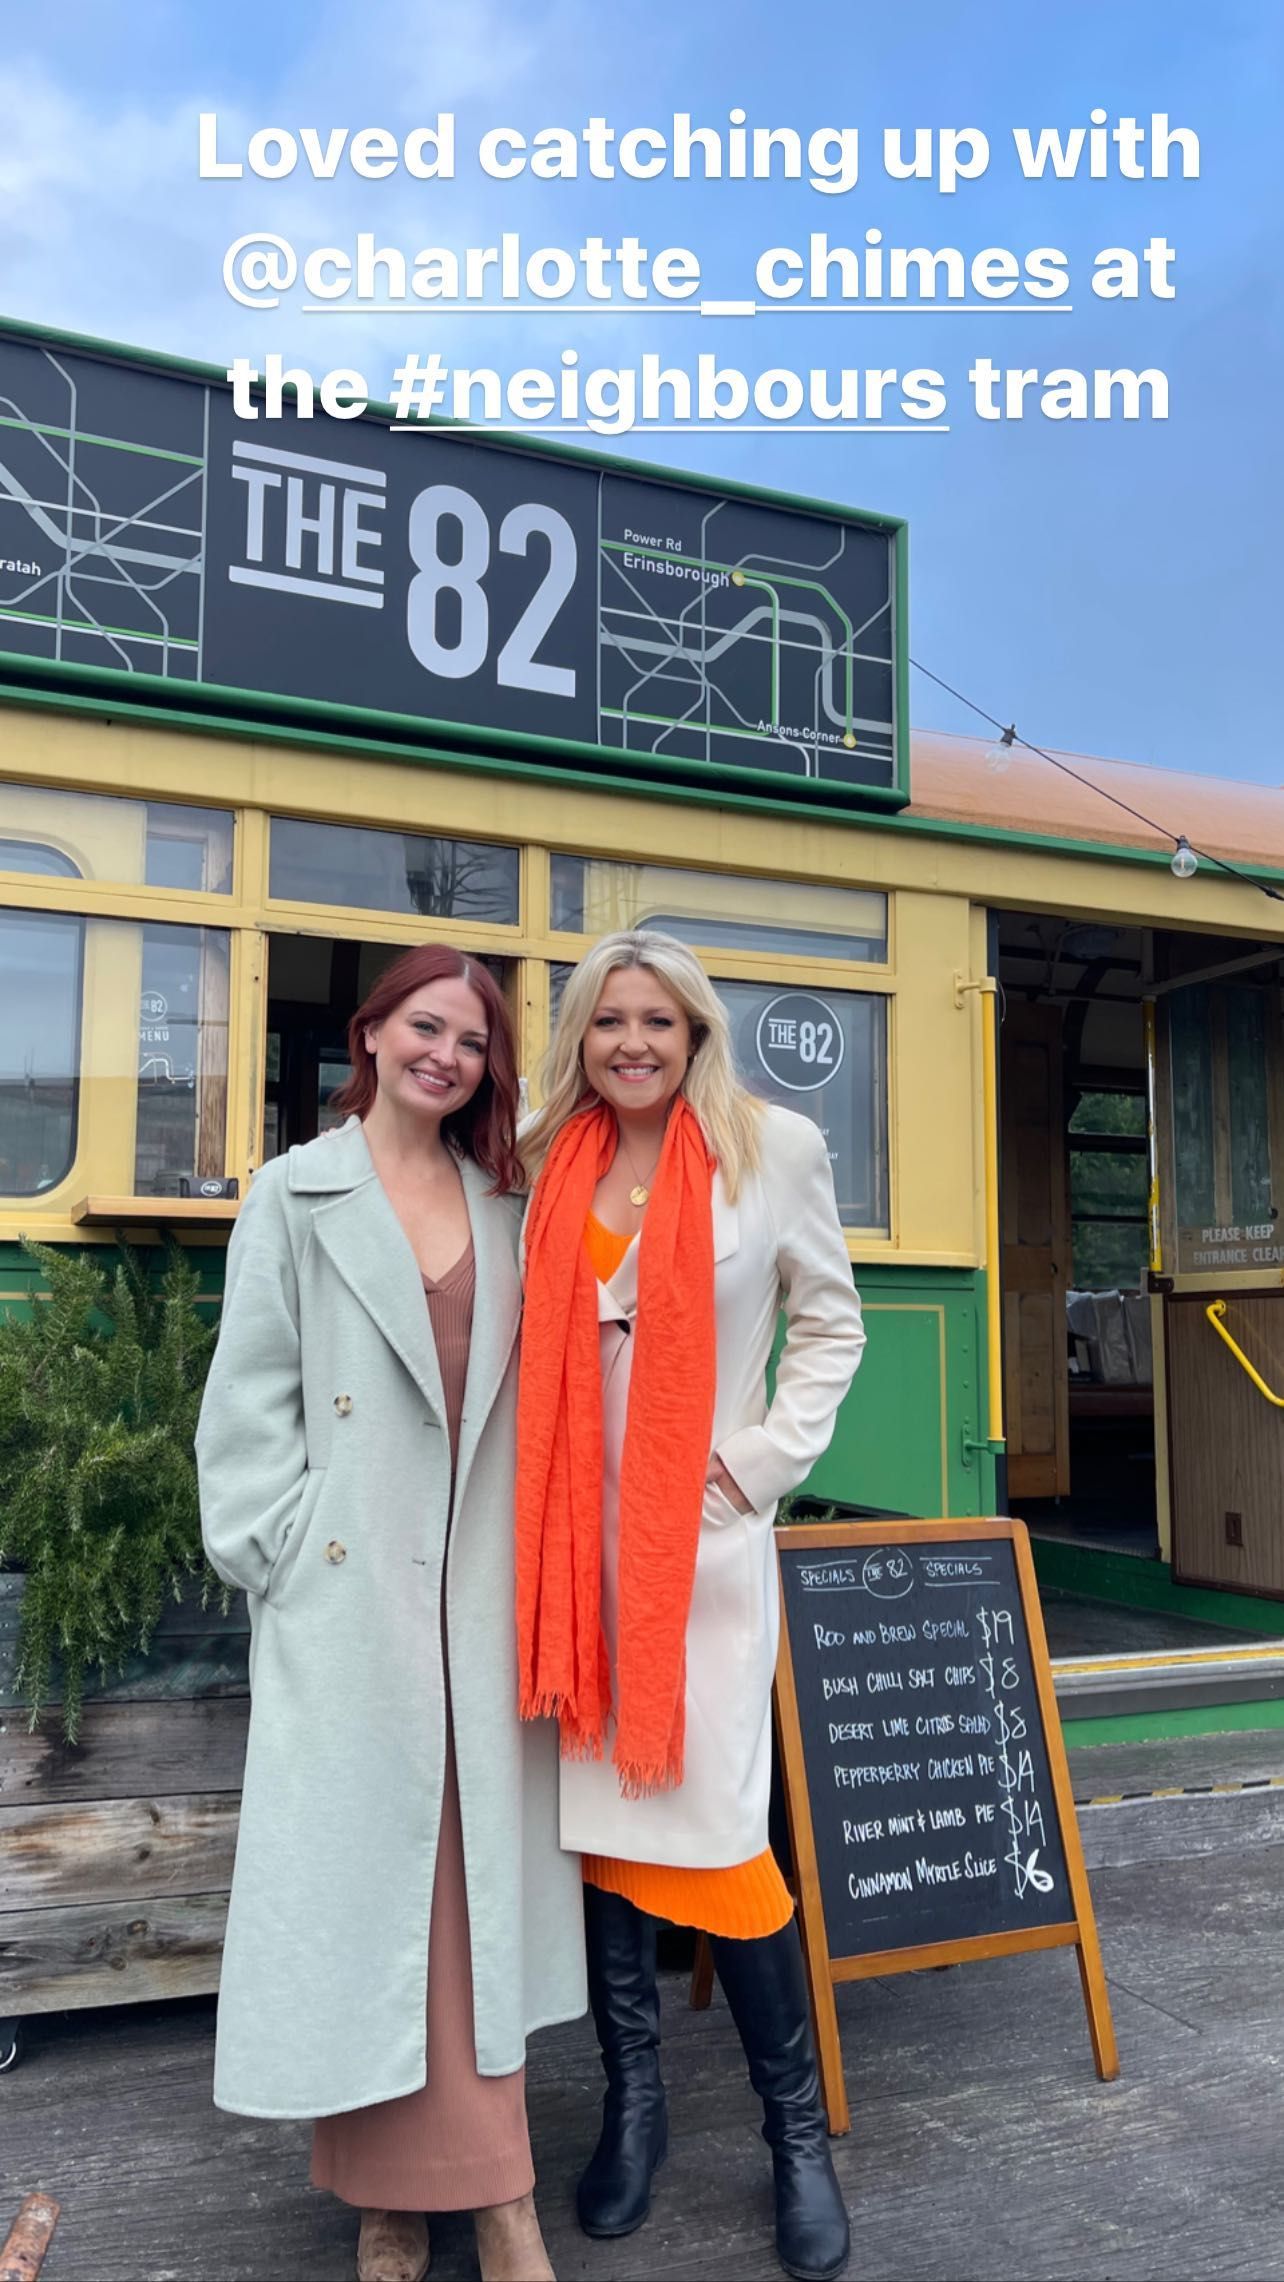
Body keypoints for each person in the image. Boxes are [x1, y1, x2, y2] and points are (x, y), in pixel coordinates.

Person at [196, 944, 585, 2282]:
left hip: (479, 1604)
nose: (446, 1056)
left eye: (472, 1041)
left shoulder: (508, 1202)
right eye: (426, 1027)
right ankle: (394, 2202)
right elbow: (248, 1402)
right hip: (352, 1601)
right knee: (369, 1900)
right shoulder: (295, 1194)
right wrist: (285, 1555)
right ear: (372, 1035)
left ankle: (489, 2196)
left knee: (466, 1905)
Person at [517, 929, 866, 2282]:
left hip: (700, 1553)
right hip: (569, 1557)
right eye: (610, 1020)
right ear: (583, 1037)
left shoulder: (773, 1150)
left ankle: (797, 2139)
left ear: (698, 1031)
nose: (633, 1043)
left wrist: (760, 1461)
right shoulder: (550, 1158)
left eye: (658, 1020)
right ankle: (636, 2106)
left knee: (722, 1838)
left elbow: (830, 1322)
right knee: (603, 1836)